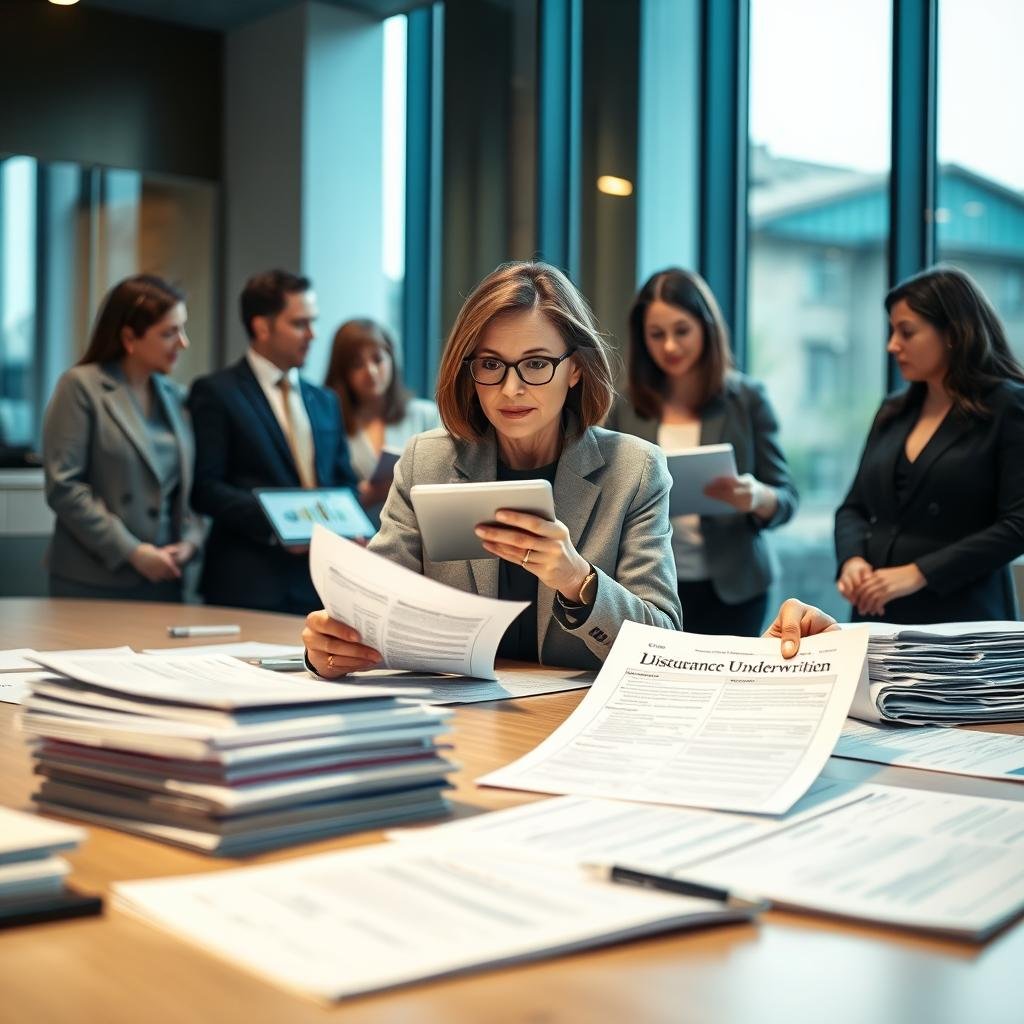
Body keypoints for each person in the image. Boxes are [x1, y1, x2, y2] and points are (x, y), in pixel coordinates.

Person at [305, 260, 682, 675]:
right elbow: (368, 605)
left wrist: (577, 579)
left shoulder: (635, 470)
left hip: (575, 717)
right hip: (461, 717)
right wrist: (329, 645)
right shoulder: (425, 462)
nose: (511, 388)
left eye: (536, 364)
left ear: (575, 369)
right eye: (490, 365)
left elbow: (662, 642)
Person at [605, 268, 798, 636]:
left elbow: (786, 498)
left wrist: (756, 496)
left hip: (734, 589)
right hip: (649, 587)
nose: (670, 347)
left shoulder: (746, 399)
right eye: (656, 335)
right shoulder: (624, 406)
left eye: (682, 331)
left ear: (706, 328)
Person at [835, 265, 1024, 623]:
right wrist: (852, 561)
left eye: (906, 332)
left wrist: (919, 572)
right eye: (892, 332)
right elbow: (853, 507)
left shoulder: (1009, 407)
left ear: (952, 333)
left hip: (962, 617)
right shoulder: (893, 410)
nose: (892, 345)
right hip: (875, 610)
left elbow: (1018, 524)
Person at [188, 269, 357, 615]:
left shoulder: (324, 400)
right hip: (249, 580)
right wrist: (281, 525)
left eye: (314, 322)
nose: (313, 334)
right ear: (261, 327)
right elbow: (205, 489)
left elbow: (342, 480)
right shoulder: (217, 393)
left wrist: (348, 525)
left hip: (320, 582)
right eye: (299, 324)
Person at [42, 274, 202, 600]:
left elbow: (190, 491)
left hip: (165, 579)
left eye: (182, 329)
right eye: (169, 333)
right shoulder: (80, 386)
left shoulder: (177, 396)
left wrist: (190, 543)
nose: (183, 343)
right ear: (129, 336)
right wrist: (133, 552)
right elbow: (65, 488)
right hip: (95, 581)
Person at [324, 318, 440, 512]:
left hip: (421, 532)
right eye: (357, 364)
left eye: (378, 359)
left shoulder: (426, 415)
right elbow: (327, 499)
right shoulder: (331, 423)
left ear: (392, 359)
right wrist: (369, 494)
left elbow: (446, 480)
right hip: (360, 535)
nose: (371, 371)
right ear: (343, 373)